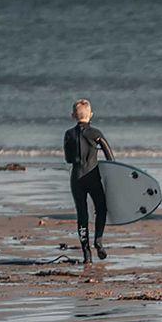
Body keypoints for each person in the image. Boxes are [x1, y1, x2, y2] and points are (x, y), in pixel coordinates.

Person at [63, 99, 114, 264]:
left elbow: (69, 159)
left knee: (82, 215)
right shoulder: (96, 133)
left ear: (73, 116)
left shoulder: (68, 134)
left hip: (77, 177)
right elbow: (110, 157)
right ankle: (98, 240)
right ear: (91, 115)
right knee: (101, 208)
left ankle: (87, 254)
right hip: (93, 177)